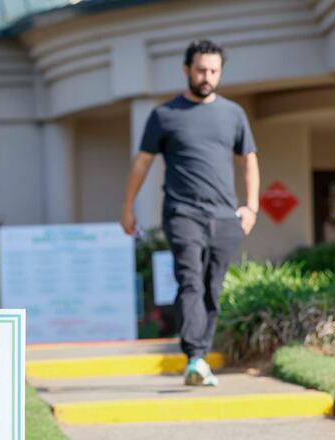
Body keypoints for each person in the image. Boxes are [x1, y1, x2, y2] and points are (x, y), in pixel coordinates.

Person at [120, 39, 260, 386]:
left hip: (226, 216)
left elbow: (250, 160)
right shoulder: (165, 115)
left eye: (213, 70)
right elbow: (141, 164)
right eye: (201, 70)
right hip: (183, 212)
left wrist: (252, 207)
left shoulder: (233, 114)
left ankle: (199, 356)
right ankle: (196, 356)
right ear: (187, 70)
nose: (207, 76)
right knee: (191, 280)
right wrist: (128, 209)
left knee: (213, 287)